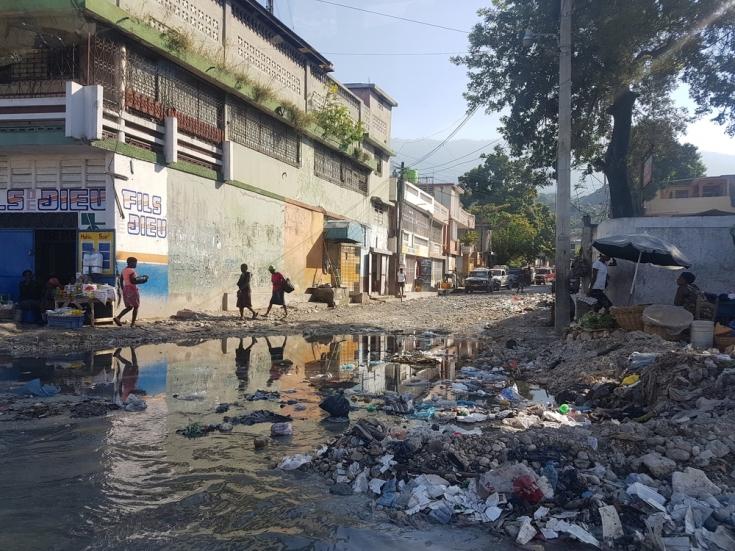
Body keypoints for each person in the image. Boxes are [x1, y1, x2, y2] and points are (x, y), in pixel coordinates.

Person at [114, 257, 140, 327]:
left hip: (126, 289)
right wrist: (141, 280)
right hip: (132, 289)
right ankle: (133, 324)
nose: (135, 264)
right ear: (130, 263)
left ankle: (118, 317)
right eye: (135, 263)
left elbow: (121, 280)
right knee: (136, 306)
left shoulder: (123, 270)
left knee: (129, 307)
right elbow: (133, 281)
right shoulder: (132, 271)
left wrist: (123, 289)